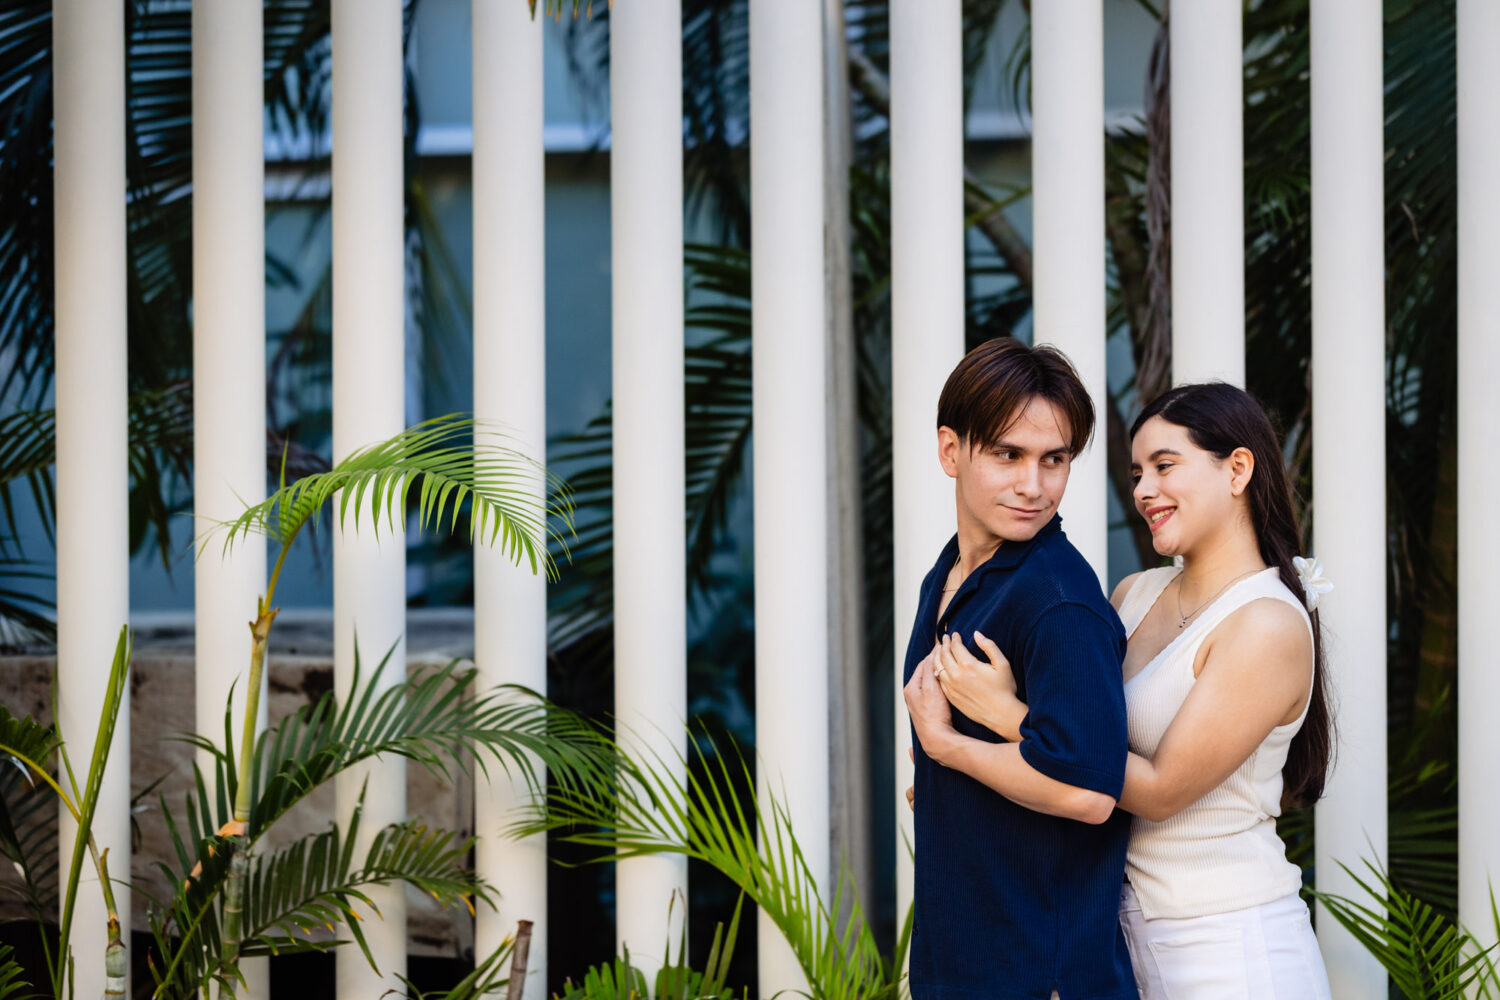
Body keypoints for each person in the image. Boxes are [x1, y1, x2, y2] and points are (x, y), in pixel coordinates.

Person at [914, 382, 1334, 999]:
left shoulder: (1266, 624)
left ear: (1237, 469)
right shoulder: (1133, 594)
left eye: (1166, 467)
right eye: (1137, 472)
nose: (1143, 491)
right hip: (1119, 938)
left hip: (1227, 945)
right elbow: (1074, 754)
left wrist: (1003, 715)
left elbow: (1157, 790)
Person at [900, 337, 1138, 1000]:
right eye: (1009, 454)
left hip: (1041, 974)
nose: (1034, 486)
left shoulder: (1059, 601)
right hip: (960, 963)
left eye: (1053, 459)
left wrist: (948, 750)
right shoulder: (949, 576)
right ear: (951, 450)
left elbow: (1089, 793)